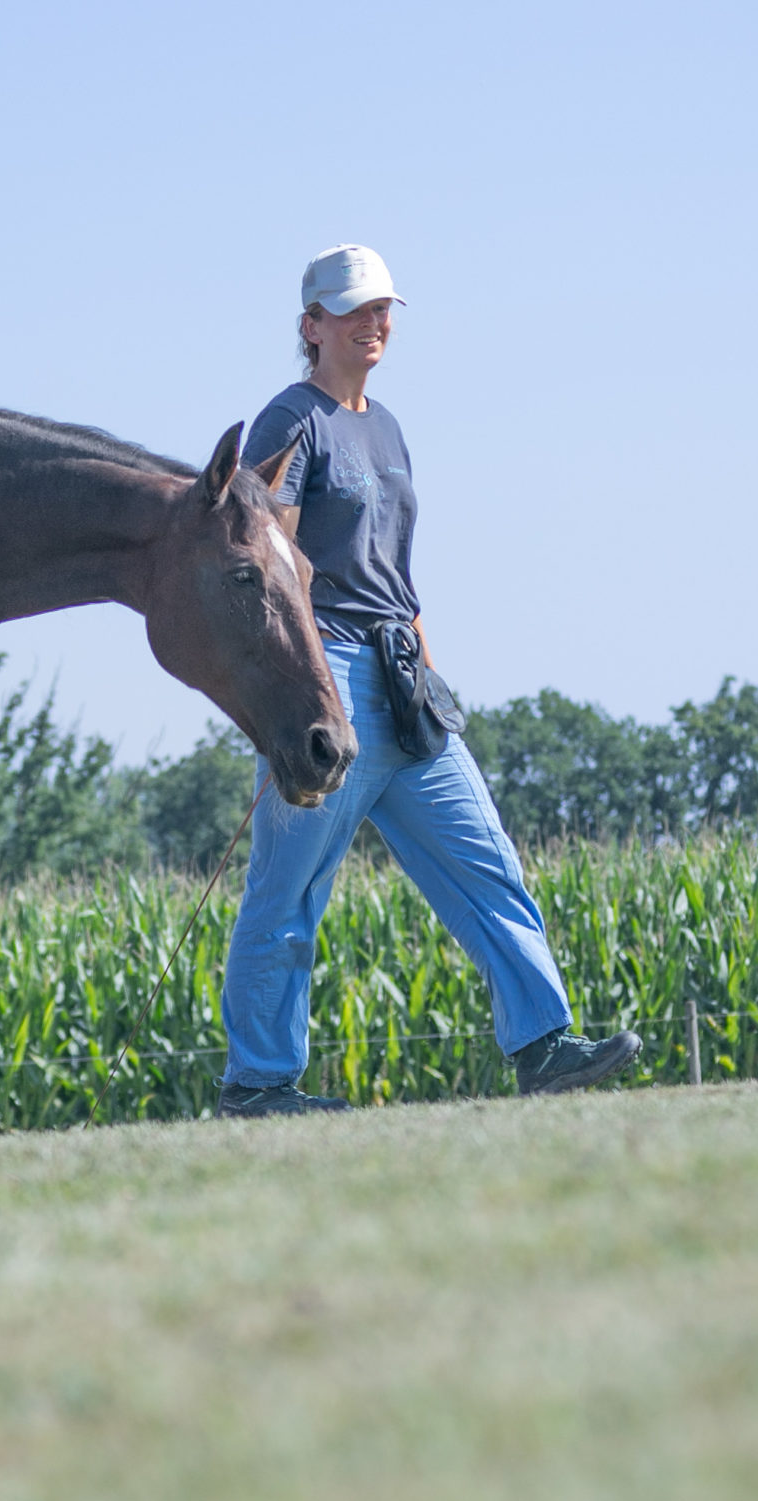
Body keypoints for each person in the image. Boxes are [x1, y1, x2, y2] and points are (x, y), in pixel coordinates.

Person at [218, 244, 642, 1116]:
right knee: (289, 889)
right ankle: (257, 1083)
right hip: (329, 675)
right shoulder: (289, 420)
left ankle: (543, 1043)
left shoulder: (388, 428)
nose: (374, 321)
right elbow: (271, 567)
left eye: (383, 307)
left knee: (486, 860)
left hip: (402, 676)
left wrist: (427, 668)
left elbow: (397, 571)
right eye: (353, 309)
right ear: (312, 326)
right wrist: (293, 695)